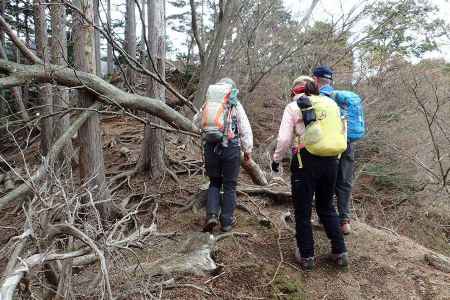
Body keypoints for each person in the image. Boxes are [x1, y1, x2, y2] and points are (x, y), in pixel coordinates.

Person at [271, 76, 348, 270]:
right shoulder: (330, 103)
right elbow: (342, 131)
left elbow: (283, 139)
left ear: (295, 90)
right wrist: (335, 157)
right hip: (331, 160)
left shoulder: (293, 106)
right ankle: (340, 252)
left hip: (305, 162)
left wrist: (276, 160)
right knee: (327, 206)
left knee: (303, 210)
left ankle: (307, 256)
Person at [194, 78, 253, 233]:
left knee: (214, 182)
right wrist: (248, 150)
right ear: (231, 90)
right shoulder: (235, 104)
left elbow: (196, 122)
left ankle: (211, 215)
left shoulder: (208, 103)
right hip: (231, 147)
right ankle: (226, 221)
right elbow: (245, 128)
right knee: (230, 185)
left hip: (211, 147)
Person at [313, 65, 353, 235]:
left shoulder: (319, 97)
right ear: (330, 80)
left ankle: (324, 218)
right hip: (348, 141)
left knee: (326, 179)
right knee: (344, 180)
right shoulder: (341, 97)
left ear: (316, 79)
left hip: (330, 142)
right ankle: (344, 221)